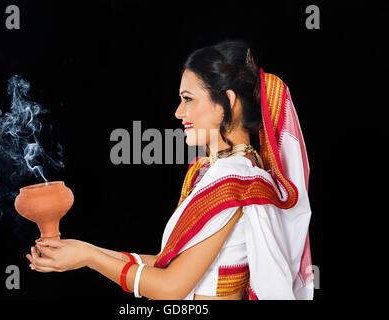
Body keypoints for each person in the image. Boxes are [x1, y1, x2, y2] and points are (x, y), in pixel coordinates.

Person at [26, 40, 313, 300]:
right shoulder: (224, 172)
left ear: (228, 103)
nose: (178, 112)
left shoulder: (234, 180)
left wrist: (89, 257)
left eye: (188, 99)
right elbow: (167, 264)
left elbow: (171, 286)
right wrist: (82, 251)